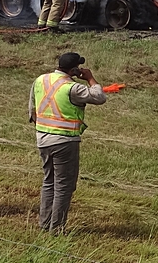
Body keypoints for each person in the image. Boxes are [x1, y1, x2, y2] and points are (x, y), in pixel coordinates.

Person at [29, 51, 106, 233]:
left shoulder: (41, 79)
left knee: (49, 182)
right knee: (64, 186)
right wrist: (90, 78)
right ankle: (56, 228)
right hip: (64, 140)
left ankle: (44, 223)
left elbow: (32, 108)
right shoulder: (72, 88)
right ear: (74, 69)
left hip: (43, 138)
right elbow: (99, 97)